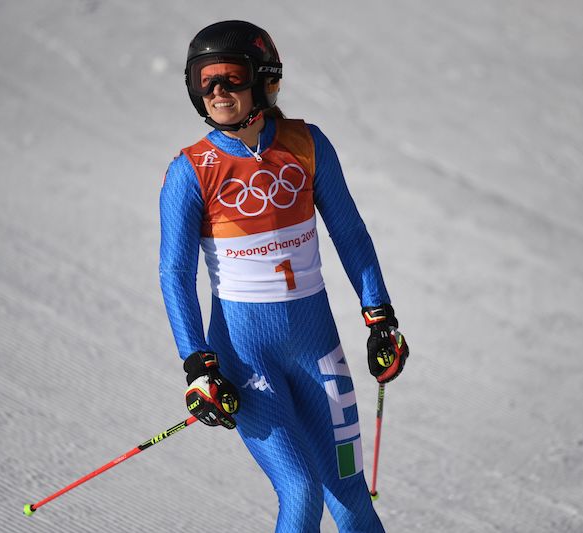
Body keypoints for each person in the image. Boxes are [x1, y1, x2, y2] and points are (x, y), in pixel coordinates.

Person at [159, 20, 409, 533]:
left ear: (264, 78)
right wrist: (197, 366)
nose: (218, 91)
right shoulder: (191, 170)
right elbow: (175, 273)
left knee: (350, 496)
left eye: (229, 76)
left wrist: (380, 317)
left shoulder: (306, 144)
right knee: (300, 492)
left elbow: (351, 234)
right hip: (244, 358)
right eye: (203, 81)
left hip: (320, 351)